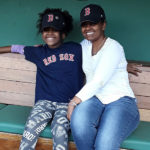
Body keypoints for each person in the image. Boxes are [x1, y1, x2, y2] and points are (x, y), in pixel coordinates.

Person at [0, 8, 84, 150]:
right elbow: (16, 48)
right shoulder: (38, 51)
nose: (50, 33)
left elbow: (98, 59)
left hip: (67, 103)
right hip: (44, 102)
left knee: (60, 130)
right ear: (42, 33)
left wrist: (122, 66)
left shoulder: (76, 49)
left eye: (55, 30)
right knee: (31, 128)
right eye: (46, 29)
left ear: (63, 33)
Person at [67, 4, 140, 150]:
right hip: (95, 98)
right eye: (84, 25)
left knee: (104, 145)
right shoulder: (84, 45)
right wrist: (42, 49)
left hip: (121, 101)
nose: (88, 28)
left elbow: (99, 80)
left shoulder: (114, 47)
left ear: (103, 25)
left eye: (93, 23)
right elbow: (66, 55)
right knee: (78, 123)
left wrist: (73, 102)